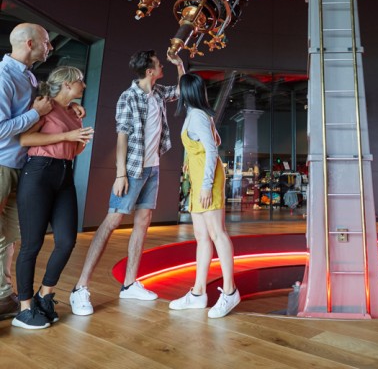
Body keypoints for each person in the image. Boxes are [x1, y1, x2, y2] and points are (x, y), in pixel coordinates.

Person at [70, 49, 184, 315]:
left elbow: (182, 90)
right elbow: (122, 136)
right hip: (133, 170)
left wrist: (179, 64)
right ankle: (80, 287)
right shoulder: (128, 97)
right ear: (149, 71)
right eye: (159, 65)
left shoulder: (157, 93)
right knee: (112, 221)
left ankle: (130, 284)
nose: (161, 67)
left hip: (153, 169)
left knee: (143, 223)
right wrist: (120, 173)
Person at [12, 67, 94, 329]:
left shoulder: (75, 112)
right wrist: (67, 136)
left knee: (67, 241)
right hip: (38, 172)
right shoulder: (47, 107)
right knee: (31, 244)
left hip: (64, 174)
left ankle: (44, 295)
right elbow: (25, 138)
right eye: (80, 81)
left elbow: (73, 149)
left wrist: (79, 141)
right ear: (68, 84)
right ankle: (24, 309)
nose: (84, 84)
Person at [169, 73, 240, 318]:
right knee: (202, 236)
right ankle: (198, 293)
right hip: (199, 179)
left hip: (206, 181)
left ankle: (230, 292)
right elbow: (211, 142)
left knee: (217, 233)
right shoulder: (197, 114)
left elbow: (212, 150)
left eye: (180, 88)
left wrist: (207, 185)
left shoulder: (198, 116)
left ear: (186, 93)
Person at [0, 23, 53, 320]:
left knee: (10, 235)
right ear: (31, 43)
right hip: (2, 163)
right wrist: (38, 113)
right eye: (46, 42)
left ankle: (5, 294)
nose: (50, 47)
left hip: (20, 165)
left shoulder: (30, 77)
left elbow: (32, 120)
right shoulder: (3, 76)